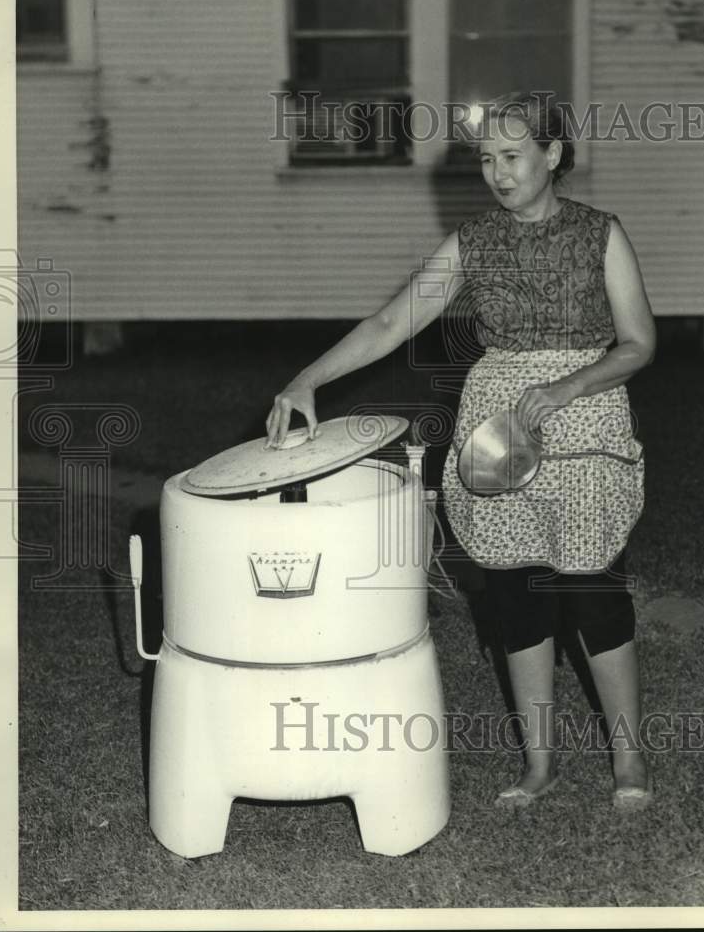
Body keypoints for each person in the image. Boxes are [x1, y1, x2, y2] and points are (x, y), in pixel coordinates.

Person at [265, 91, 656, 810]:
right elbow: (390, 322)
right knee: (514, 594)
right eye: (486, 159)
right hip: (499, 427)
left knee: (592, 593)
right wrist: (305, 378)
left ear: (553, 155)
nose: (498, 173)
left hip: (586, 421)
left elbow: (638, 344)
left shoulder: (602, 234)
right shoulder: (473, 242)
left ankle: (628, 763)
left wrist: (569, 385)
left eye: (513, 157)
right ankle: (540, 767)